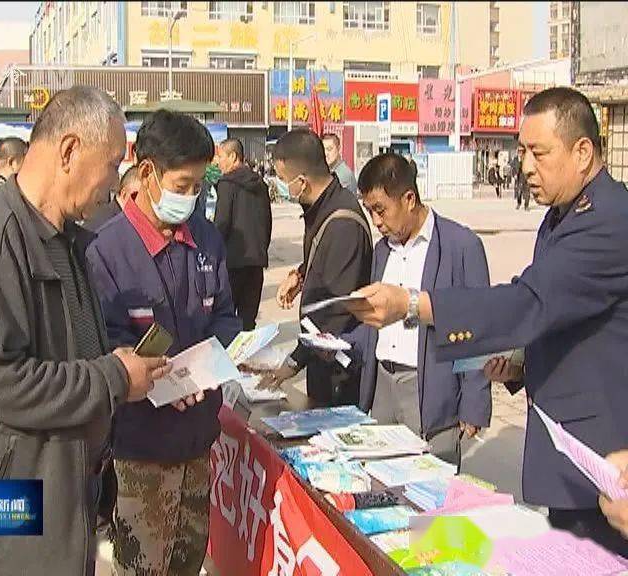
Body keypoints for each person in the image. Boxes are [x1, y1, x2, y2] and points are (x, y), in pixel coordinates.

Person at [344, 87, 628, 557]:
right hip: (573, 452)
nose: (525, 167)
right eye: (521, 152)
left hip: (605, 460)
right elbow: (567, 316)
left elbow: (529, 301)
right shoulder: (563, 214)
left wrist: (413, 304)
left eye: (539, 153)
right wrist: (520, 364)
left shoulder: (608, 219)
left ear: (583, 152)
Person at [0, 86, 173, 576]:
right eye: (110, 165)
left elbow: (65, 354)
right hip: (4, 501)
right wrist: (112, 378)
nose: (114, 185)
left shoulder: (64, 238)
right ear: (69, 152)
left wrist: (117, 363)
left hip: (59, 493)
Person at [86, 109, 241, 576]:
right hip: (140, 449)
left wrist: (232, 357)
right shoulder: (104, 249)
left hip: (199, 438)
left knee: (188, 563)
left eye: (200, 187)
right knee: (144, 567)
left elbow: (225, 318)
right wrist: (160, 381)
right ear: (147, 173)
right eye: (182, 185)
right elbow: (103, 342)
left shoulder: (208, 240)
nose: (191, 197)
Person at [348, 153, 491, 466]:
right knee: (381, 478)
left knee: (428, 487)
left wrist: (474, 401)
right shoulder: (382, 251)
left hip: (428, 385)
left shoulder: (461, 246)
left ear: (409, 198)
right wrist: (341, 344)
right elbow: (378, 322)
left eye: (380, 210)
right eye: (370, 211)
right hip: (383, 383)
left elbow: (478, 326)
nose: (376, 221)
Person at [260, 129, 372, 406]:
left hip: (339, 365)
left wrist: (293, 362)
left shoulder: (343, 223)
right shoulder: (322, 208)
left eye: (284, 180)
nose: (283, 186)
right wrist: (299, 275)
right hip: (320, 354)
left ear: (302, 181)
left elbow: (335, 312)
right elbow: (324, 259)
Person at [214, 138, 272, 330]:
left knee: (226, 319)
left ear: (233, 156)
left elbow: (222, 224)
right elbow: (267, 222)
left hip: (233, 263)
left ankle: (231, 360)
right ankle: (247, 358)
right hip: (256, 262)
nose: (218, 162)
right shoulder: (261, 184)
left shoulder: (227, 184)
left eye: (221, 156)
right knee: (248, 320)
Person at [84, 165, 141, 231]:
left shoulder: (102, 213)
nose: (142, 203)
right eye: (136, 196)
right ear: (124, 194)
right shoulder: (114, 224)